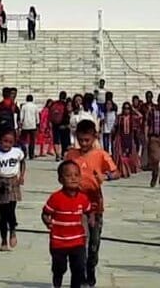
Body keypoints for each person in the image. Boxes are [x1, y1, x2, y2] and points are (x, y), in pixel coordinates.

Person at [65, 119, 119, 286]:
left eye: (87, 140)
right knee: (81, 240)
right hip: (76, 202)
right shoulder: (71, 155)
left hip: (95, 204)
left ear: (94, 137)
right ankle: (79, 273)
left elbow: (116, 172)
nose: (83, 143)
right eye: (80, 140)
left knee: (94, 243)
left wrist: (106, 176)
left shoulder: (101, 154)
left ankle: (91, 267)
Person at [43, 159, 91, 288]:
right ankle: (57, 280)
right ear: (60, 179)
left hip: (78, 240)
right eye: (68, 176)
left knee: (79, 268)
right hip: (59, 241)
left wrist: (91, 220)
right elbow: (45, 213)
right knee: (60, 267)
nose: (73, 178)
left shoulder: (83, 198)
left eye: (76, 175)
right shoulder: (55, 198)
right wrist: (47, 221)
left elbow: (88, 211)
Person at [0, 127, 27, 251]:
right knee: (3, 214)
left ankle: (12, 229)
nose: (7, 144)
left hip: (13, 182)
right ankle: (3, 241)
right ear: (0, 140)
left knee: (11, 211)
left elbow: (23, 163)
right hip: (0, 182)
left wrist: (22, 176)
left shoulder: (17, 152)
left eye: (10, 142)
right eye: (5, 141)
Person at [49, 91, 72, 160]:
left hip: (55, 124)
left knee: (56, 140)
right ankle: (63, 154)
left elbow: (50, 113)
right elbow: (69, 113)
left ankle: (57, 155)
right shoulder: (66, 104)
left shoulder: (54, 103)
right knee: (64, 140)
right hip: (64, 124)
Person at [20, 93, 42, 160]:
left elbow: (21, 116)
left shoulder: (24, 106)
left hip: (25, 125)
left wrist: (21, 122)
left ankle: (24, 153)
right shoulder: (35, 106)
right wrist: (38, 123)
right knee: (32, 141)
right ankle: (31, 154)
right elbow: (37, 115)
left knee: (24, 140)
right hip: (33, 125)